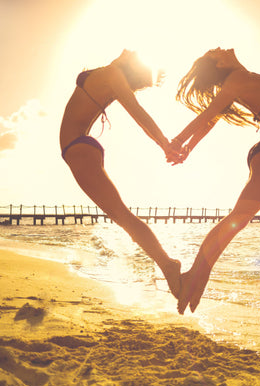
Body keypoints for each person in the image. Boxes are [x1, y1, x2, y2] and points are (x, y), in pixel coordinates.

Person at [171, 48, 260, 314]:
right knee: (237, 220)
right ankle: (196, 275)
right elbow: (207, 116)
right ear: (219, 62)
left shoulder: (239, 77)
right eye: (213, 51)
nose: (218, 47)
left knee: (236, 220)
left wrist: (188, 148)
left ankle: (196, 276)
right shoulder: (236, 80)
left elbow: (211, 120)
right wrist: (180, 141)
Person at [60, 49, 182, 298]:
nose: (128, 50)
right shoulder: (110, 73)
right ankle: (165, 263)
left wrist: (164, 144)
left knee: (121, 215)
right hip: (78, 148)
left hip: (79, 148)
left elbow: (138, 113)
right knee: (120, 215)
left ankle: (167, 264)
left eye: (133, 54)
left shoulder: (114, 75)